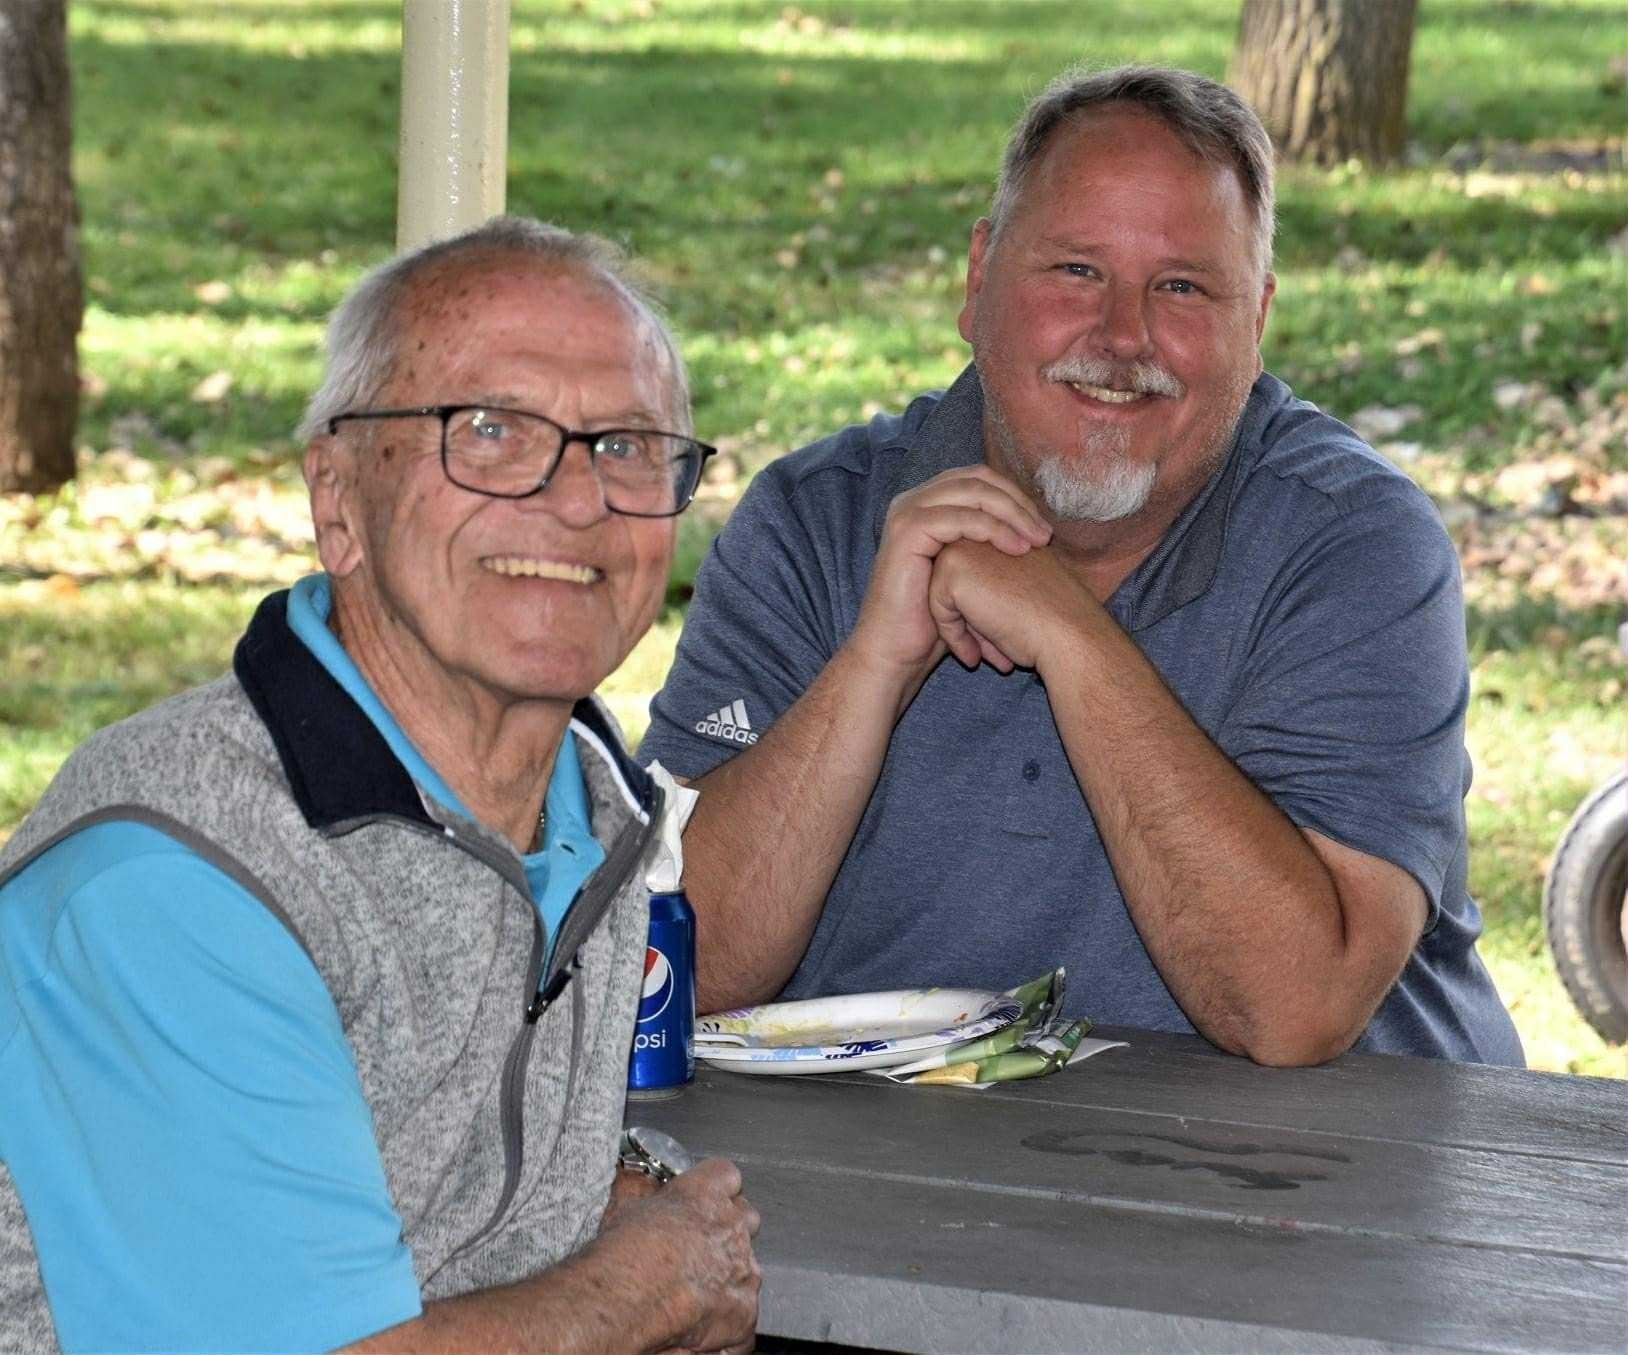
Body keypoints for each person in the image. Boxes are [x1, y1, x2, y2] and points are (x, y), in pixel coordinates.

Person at [640, 66, 1524, 1068]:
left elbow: (1294, 1010)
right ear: (977, 280)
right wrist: (872, 666)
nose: (1121, 337)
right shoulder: (813, 523)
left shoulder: (1353, 545)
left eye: (1182, 287)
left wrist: (1071, 637)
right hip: (887, 1157)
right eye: (1074, 271)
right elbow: (673, 970)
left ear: (1257, 322)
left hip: (1321, 1162)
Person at [0, 218, 760, 1354]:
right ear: (338, 502)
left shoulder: (590, 812)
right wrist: (651, 1283)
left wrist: (620, 1196)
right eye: (490, 432)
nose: (575, 499)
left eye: (627, 445)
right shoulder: (176, 877)